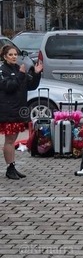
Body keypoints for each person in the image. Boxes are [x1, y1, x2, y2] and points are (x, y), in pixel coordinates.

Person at [0, 44, 43, 179]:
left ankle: (12, 166)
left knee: (13, 139)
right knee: (9, 140)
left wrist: (36, 74)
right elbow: (9, 86)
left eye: (15, 54)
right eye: (11, 55)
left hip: (19, 109)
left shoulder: (19, 68)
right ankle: (10, 167)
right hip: (8, 110)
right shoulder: (2, 70)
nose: (14, 57)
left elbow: (31, 86)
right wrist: (20, 74)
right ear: (4, 57)